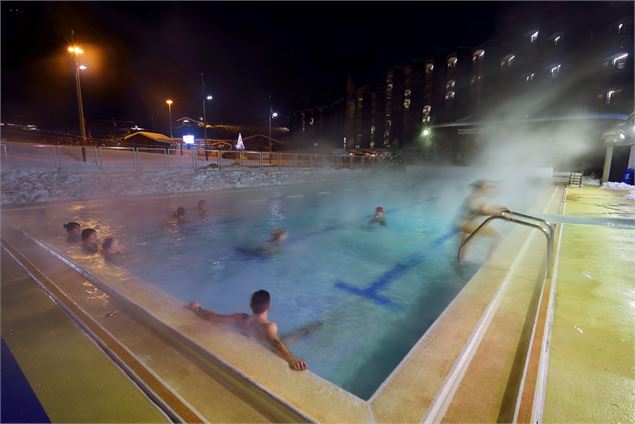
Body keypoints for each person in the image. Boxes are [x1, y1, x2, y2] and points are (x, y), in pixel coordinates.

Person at [187, 290, 307, 371]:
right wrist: (293, 359)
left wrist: (197, 308)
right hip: (264, 350)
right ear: (269, 306)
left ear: (250, 305)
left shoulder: (239, 318)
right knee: (294, 336)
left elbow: (212, 317)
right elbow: (276, 343)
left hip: (243, 348)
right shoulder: (268, 326)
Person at [457, 180, 511, 261]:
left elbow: (488, 206)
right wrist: (501, 214)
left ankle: (461, 261)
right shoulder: (477, 198)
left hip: (464, 223)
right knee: (497, 236)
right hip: (467, 224)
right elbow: (484, 210)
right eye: (488, 187)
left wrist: (502, 206)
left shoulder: (476, 196)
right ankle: (490, 259)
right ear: (481, 188)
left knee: (465, 246)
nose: (490, 189)